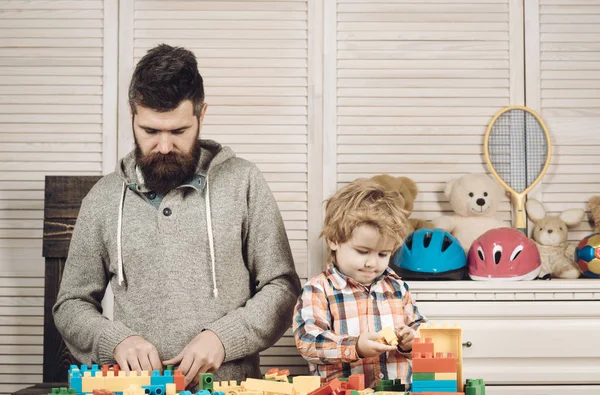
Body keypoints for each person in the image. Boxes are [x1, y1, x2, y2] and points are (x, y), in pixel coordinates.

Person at [53, 44, 301, 388]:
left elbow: (283, 287)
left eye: (179, 132)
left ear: (202, 114)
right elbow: (71, 305)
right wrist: (115, 341)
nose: (165, 146)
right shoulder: (103, 198)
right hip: (136, 388)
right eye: (151, 131)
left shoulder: (245, 182)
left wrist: (224, 338)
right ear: (131, 114)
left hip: (230, 388)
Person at [293, 179, 426, 388]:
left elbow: (420, 329)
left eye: (383, 254)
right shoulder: (319, 290)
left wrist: (412, 341)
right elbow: (308, 341)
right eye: (362, 251)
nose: (372, 263)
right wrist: (355, 347)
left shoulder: (398, 288)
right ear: (334, 240)